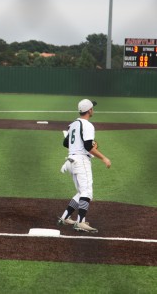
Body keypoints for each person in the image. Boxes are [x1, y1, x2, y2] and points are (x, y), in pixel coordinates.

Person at [57, 99, 111, 232]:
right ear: (89, 110)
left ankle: (64, 218)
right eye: (93, 108)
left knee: (81, 192)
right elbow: (88, 146)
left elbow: (65, 143)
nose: (93, 110)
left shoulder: (73, 124)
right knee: (87, 192)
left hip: (71, 160)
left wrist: (77, 147)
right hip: (81, 162)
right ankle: (80, 222)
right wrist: (104, 158)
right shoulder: (87, 125)